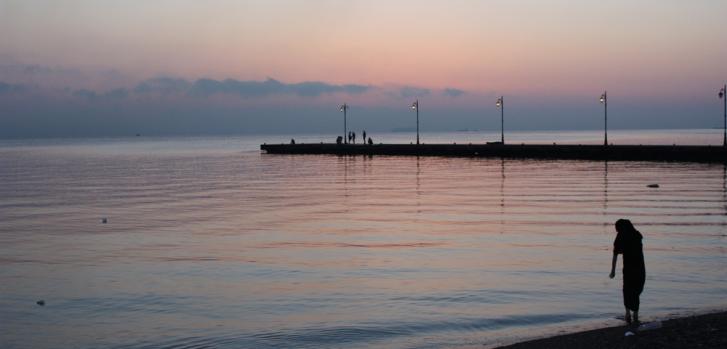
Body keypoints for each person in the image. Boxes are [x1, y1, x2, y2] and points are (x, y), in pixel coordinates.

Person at [609, 219, 646, 324]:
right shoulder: (636, 235)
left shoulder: (621, 236)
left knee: (628, 290)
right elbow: (618, 251)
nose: (616, 230)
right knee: (636, 290)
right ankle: (634, 314)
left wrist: (613, 270)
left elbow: (615, 253)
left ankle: (628, 313)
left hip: (630, 268)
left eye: (617, 228)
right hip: (639, 267)